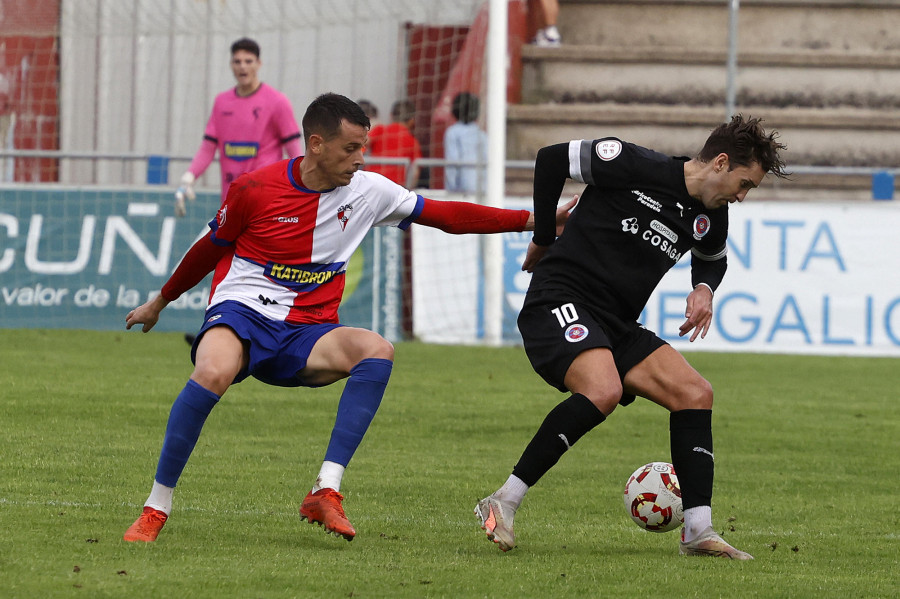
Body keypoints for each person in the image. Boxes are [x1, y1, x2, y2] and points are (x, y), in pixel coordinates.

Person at [122, 93, 573, 544]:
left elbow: (446, 216)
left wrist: (535, 220)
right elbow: (209, 249)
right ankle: (156, 506)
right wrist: (160, 302)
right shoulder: (253, 189)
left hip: (308, 329)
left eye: (364, 148)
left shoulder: (370, 192)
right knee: (213, 370)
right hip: (244, 311)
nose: (361, 159)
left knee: (377, 350)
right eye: (350, 148)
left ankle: (326, 489)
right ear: (316, 144)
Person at [474, 115, 787, 559]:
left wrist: (704, 288)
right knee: (603, 390)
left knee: (695, 392)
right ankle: (502, 501)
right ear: (720, 162)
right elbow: (550, 160)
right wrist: (543, 236)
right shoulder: (631, 163)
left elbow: (712, 260)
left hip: (615, 322)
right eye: (744, 184)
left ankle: (698, 531)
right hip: (561, 295)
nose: (741, 196)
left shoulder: (711, 215)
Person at [173, 38, 302, 218]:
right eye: (237, 61)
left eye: (248, 61)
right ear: (231, 65)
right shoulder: (221, 102)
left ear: (258, 64)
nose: (243, 67)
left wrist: (303, 187)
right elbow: (208, 148)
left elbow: (294, 151)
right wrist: (189, 177)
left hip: (266, 199)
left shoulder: (277, 102)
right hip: (230, 200)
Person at [366, 99, 421, 186]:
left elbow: (361, 144)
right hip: (395, 187)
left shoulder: (380, 130)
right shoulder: (413, 142)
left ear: (391, 116)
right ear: (412, 120)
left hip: (371, 183)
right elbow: (415, 172)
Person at [443, 92, 487, 194]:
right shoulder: (483, 134)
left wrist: (450, 188)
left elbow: (452, 162)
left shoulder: (452, 132)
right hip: (483, 187)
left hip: (462, 188)